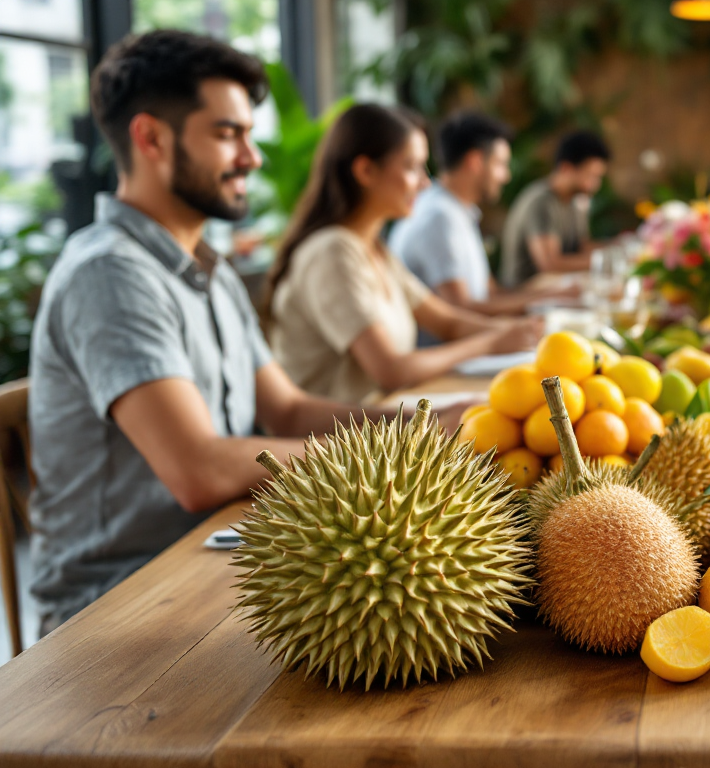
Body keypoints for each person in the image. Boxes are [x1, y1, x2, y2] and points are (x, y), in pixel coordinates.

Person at [26, 31, 476, 635]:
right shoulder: (108, 274)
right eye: (227, 133)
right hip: (120, 611)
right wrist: (393, 458)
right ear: (151, 137)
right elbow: (200, 471)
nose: (252, 156)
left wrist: (425, 426)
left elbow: (286, 410)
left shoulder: (209, 270)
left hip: (223, 558)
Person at [263, 104, 541, 404]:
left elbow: (449, 322)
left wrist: (524, 332)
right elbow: (390, 369)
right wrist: (492, 343)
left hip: (380, 420)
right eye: (412, 167)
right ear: (366, 171)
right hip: (334, 443)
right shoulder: (332, 252)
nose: (424, 182)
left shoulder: (374, 249)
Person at [389, 112, 576, 321]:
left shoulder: (459, 211)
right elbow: (462, 310)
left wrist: (550, 292)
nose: (506, 176)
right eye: (500, 164)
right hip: (454, 350)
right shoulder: (440, 217)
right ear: (475, 161)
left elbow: (490, 295)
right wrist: (550, 297)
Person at [498, 130, 610, 288]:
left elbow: (581, 246)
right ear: (566, 168)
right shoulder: (540, 202)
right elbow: (550, 264)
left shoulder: (576, 201)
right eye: (591, 175)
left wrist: (619, 248)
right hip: (526, 292)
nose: (596, 183)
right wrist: (606, 261)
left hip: (557, 288)